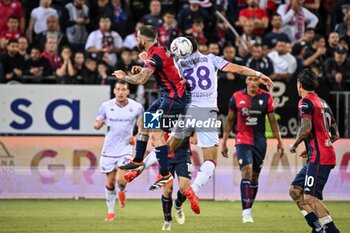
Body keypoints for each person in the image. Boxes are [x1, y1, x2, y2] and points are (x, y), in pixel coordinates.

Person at [167, 36, 275, 215]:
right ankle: (194, 188)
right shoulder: (211, 59)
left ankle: (144, 165)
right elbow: (239, 69)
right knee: (210, 160)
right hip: (208, 111)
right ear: (198, 47)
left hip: (189, 110)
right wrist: (259, 74)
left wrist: (145, 61)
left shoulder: (179, 64)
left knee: (168, 147)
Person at [113, 25, 188, 190]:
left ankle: (165, 173)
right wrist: (144, 66)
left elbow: (141, 80)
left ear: (143, 39)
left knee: (156, 131)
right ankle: (138, 159)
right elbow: (160, 70)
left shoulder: (156, 54)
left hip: (173, 98)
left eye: (137, 36)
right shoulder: (158, 51)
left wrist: (123, 76)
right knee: (144, 122)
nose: (136, 39)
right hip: (166, 96)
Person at [221, 75, 283, 223]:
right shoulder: (236, 97)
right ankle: (246, 212)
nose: (254, 83)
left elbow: (273, 121)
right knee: (246, 171)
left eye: (256, 80)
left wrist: (279, 141)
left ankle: (249, 207)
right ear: (246, 81)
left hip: (260, 142)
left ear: (259, 82)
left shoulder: (267, 97)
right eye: (251, 79)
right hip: (242, 139)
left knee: (254, 177)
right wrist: (224, 142)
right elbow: (229, 120)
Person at [289, 69, 340, 233]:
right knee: (295, 191)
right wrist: (313, 146)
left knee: (310, 197)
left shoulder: (305, 102)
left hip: (320, 157)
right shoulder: (322, 102)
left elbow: (306, 128)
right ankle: (318, 228)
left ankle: (331, 230)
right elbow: (336, 133)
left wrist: (296, 144)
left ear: (299, 84)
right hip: (319, 154)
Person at [94, 80, 144, 222]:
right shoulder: (106, 106)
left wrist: (135, 137)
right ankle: (111, 212)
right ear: (114, 91)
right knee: (110, 183)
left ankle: (122, 191)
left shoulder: (137, 107)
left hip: (125, 148)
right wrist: (98, 124)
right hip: (109, 149)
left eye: (123, 89)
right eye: (118, 89)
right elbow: (96, 123)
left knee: (121, 180)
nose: (121, 92)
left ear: (128, 92)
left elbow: (141, 127)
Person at [126, 133, 193, 231]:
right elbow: (151, 130)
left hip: (182, 153)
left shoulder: (184, 117)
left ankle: (178, 205)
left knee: (184, 188)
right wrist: (154, 138)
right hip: (165, 155)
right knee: (167, 190)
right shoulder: (159, 118)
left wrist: (195, 135)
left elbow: (193, 126)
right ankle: (167, 220)